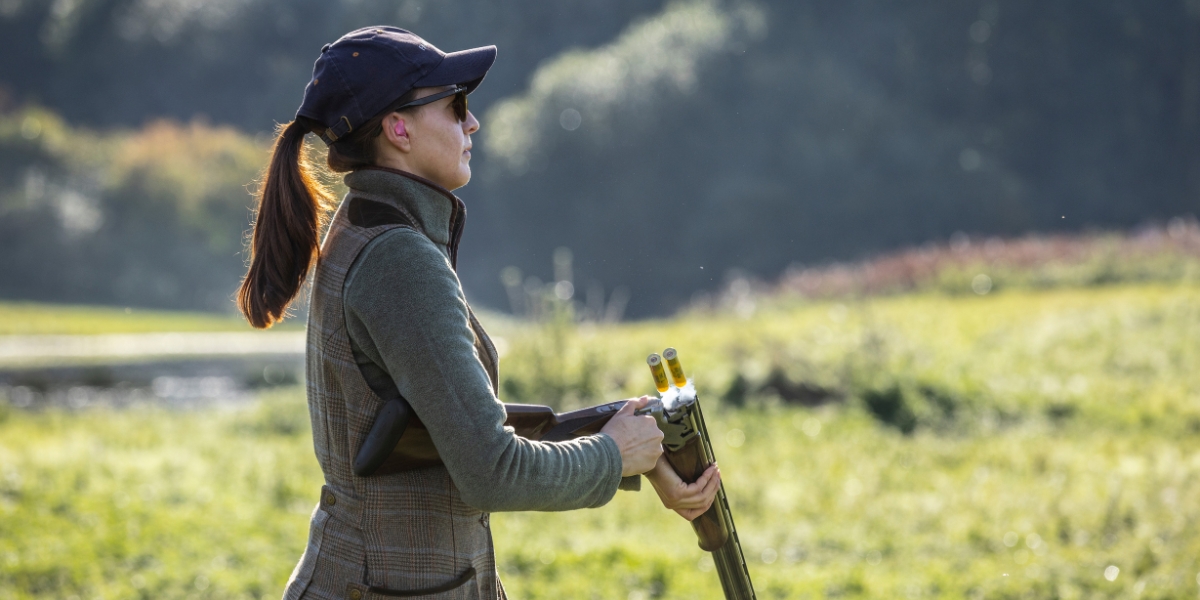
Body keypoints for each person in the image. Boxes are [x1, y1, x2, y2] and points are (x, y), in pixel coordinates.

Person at [238, 26, 721, 599]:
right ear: (398, 128)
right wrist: (612, 455)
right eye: (455, 105)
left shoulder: (376, 228)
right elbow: (491, 468)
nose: (472, 124)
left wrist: (630, 448)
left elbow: (451, 428)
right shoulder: (399, 259)